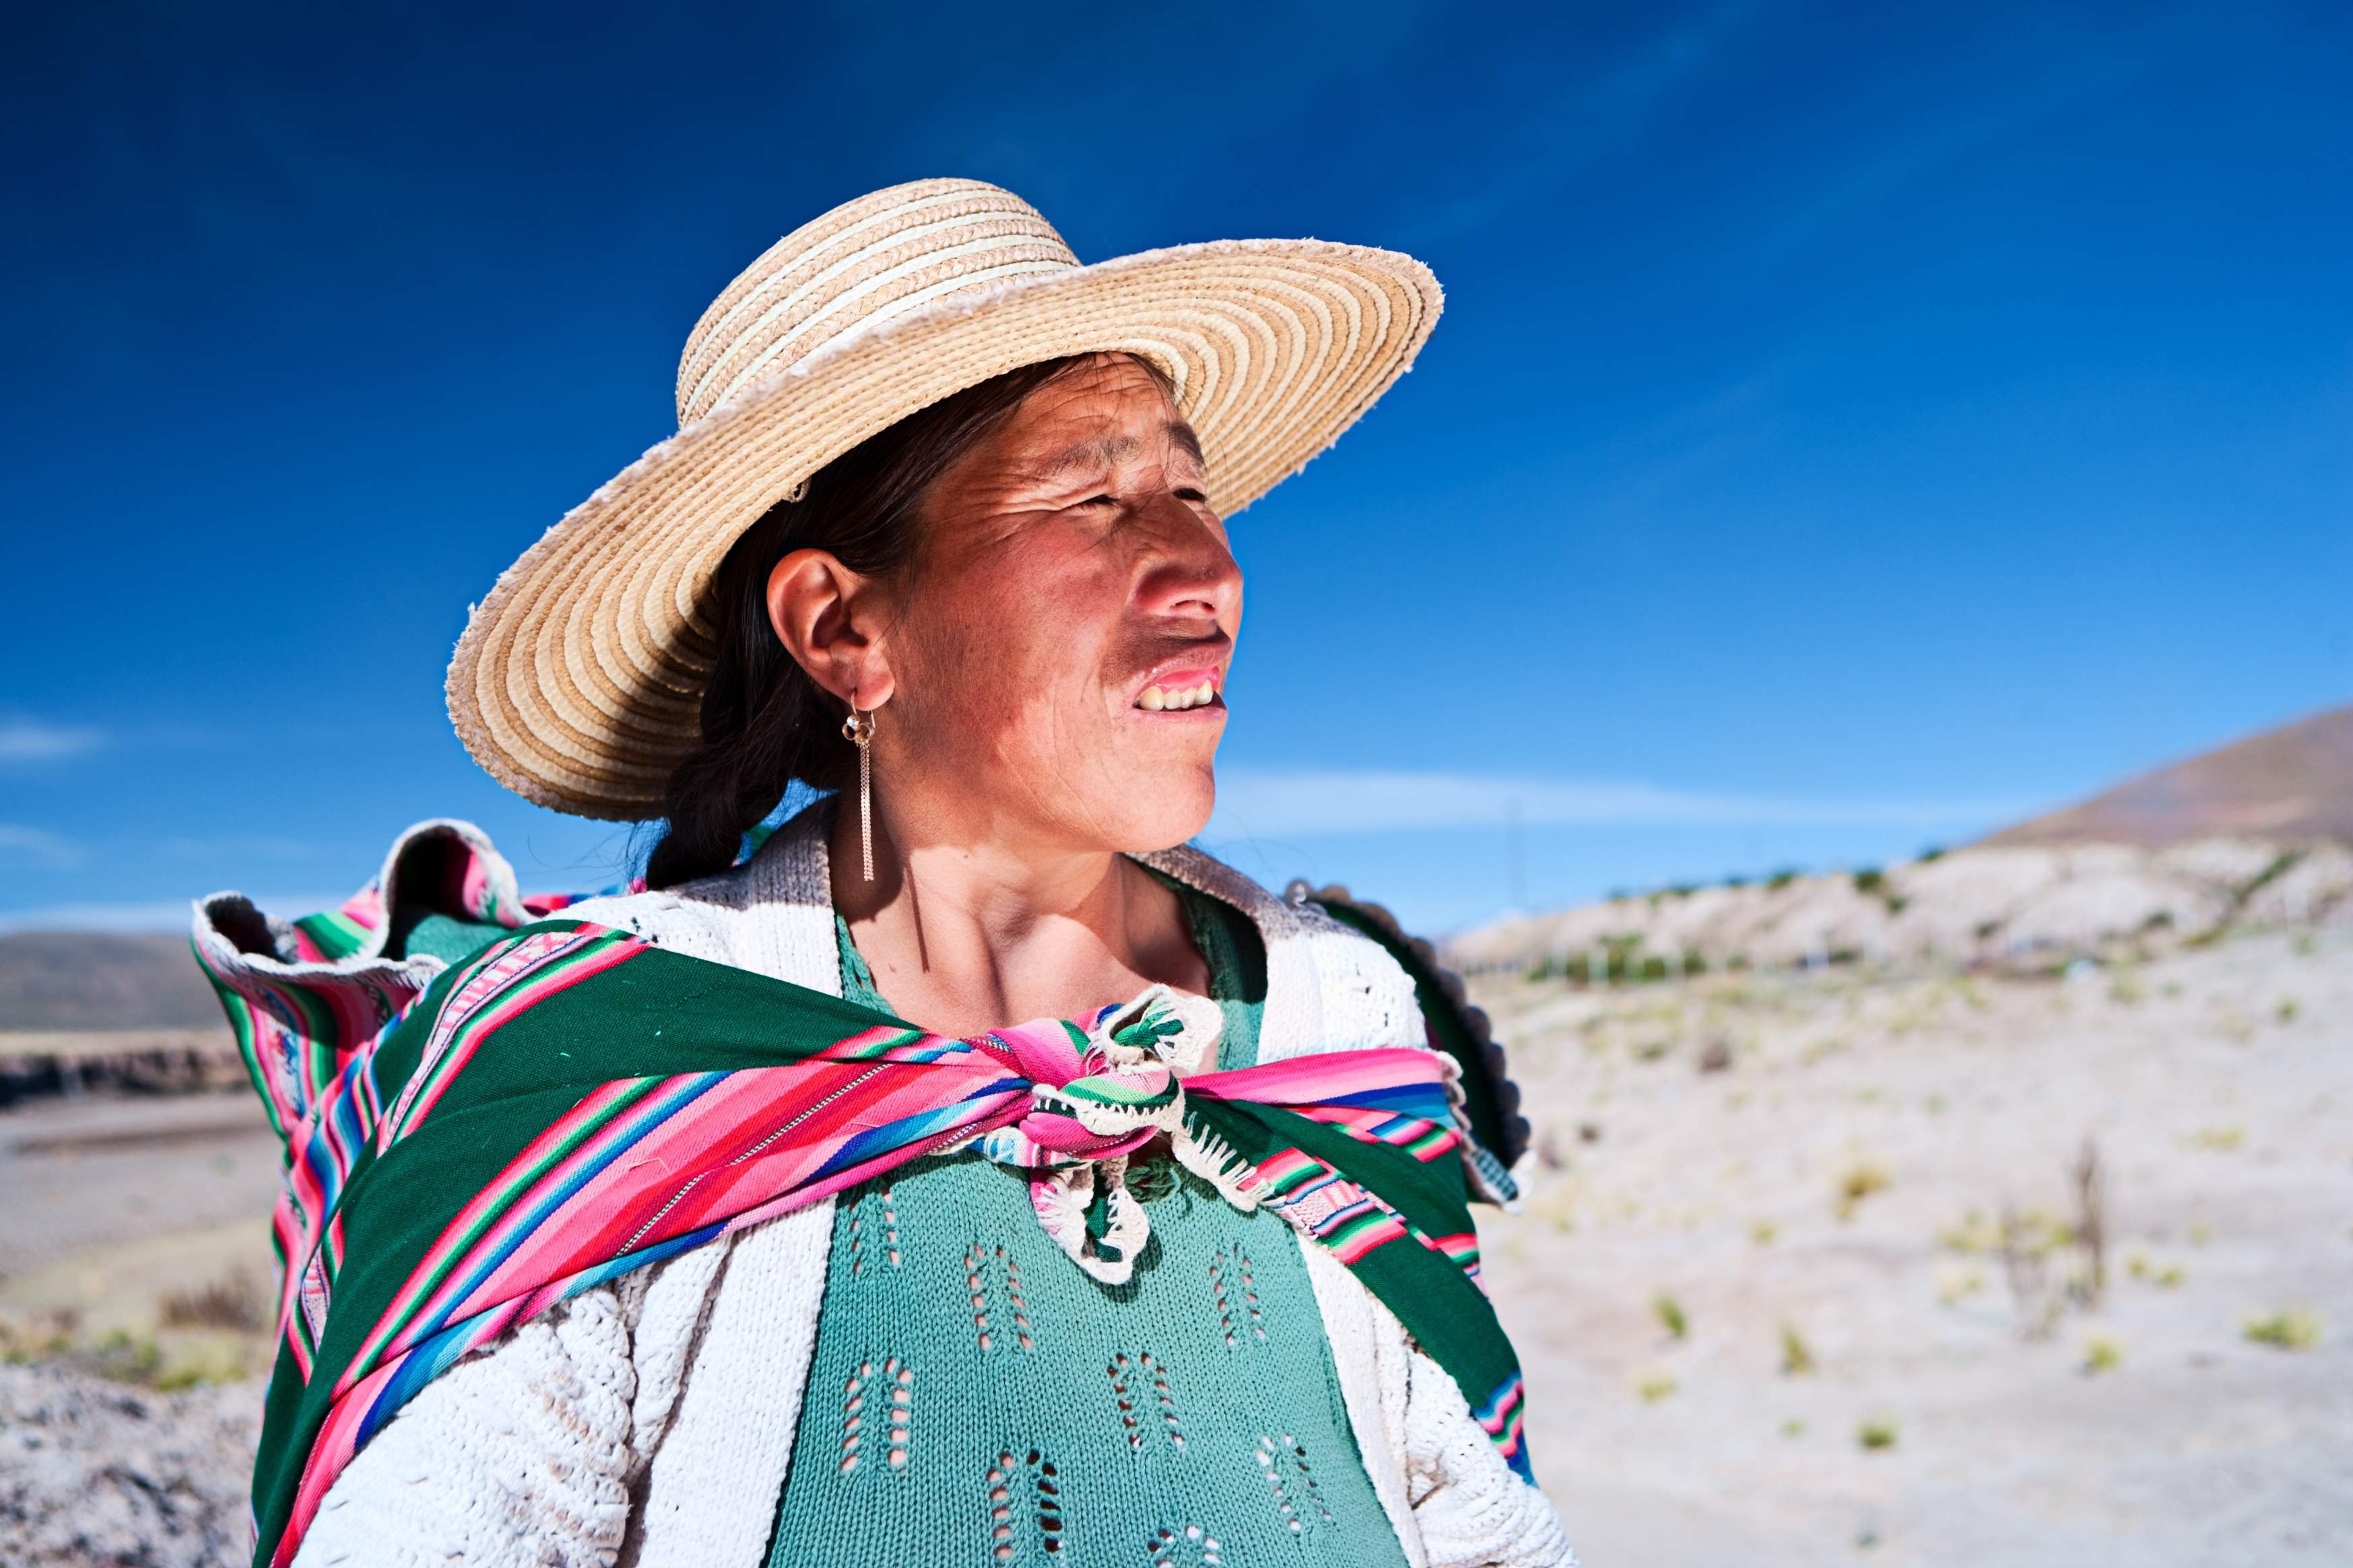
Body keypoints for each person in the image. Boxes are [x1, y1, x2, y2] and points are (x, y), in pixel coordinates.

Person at [195, 178, 1570, 1568]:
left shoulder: (1336, 1019)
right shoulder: (610, 1055)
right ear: (844, 628)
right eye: (1093, 495)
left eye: (1190, 487)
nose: (1202, 563)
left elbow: (1478, 1516)